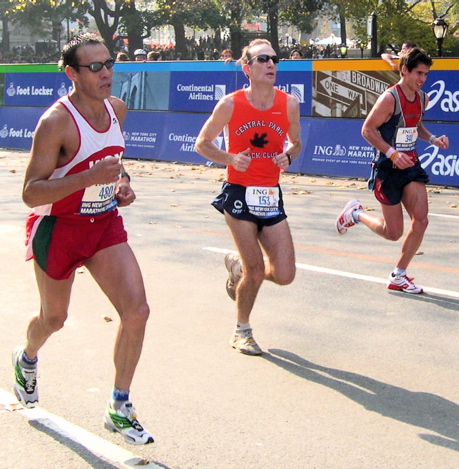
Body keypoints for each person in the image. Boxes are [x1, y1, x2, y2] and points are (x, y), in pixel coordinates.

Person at [12, 33, 154, 445]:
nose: (106, 73)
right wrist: (88, 178)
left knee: (137, 311)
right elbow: (31, 192)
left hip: (103, 224)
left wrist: (122, 184)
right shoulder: (56, 122)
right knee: (53, 319)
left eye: (109, 64)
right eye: (95, 67)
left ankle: (119, 404)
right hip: (59, 228)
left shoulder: (117, 109)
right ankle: (28, 356)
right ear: (72, 73)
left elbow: (115, 165)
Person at [195, 39, 302, 356]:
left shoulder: (288, 104)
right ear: (247, 68)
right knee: (257, 270)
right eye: (263, 59)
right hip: (239, 194)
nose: (271, 64)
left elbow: (295, 143)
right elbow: (202, 143)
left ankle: (238, 269)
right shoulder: (230, 103)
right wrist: (230, 158)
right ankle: (242, 330)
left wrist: (289, 157)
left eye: (274, 59)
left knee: (284, 274)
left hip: (271, 194)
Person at [336, 47, 449, 294]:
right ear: (404, 70)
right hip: (388, 168)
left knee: (421, 220)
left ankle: (399, 274)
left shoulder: (422, 98)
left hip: (411, 167)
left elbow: (415, 125)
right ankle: (356, 214)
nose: (422, 79)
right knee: (393, 232)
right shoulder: (389, 98)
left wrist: (433, 139)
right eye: (418, 73)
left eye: (426, 74)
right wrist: (392, 153)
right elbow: (367, 130)